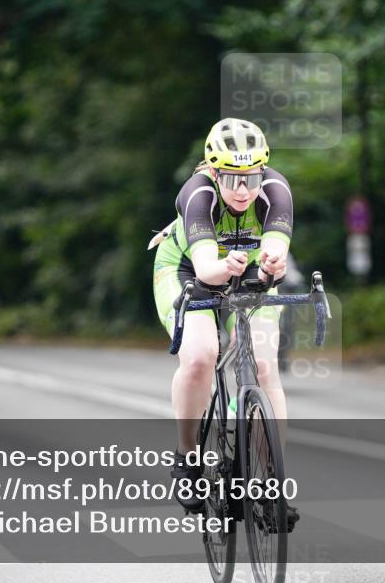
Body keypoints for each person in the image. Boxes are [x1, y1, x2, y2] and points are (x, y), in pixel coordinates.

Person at [150, 118, 298, 529]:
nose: (241, 190)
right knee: (200, 357)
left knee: (266, 368)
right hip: (186, 270)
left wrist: (271, 263)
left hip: (247, 274)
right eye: (231, 178)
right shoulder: (196, 194)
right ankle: (187, 459)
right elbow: (204, 267)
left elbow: (274, 249)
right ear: (213, 171)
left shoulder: (276, 191)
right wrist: (221, 267)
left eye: (250, 177)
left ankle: (270, 484)